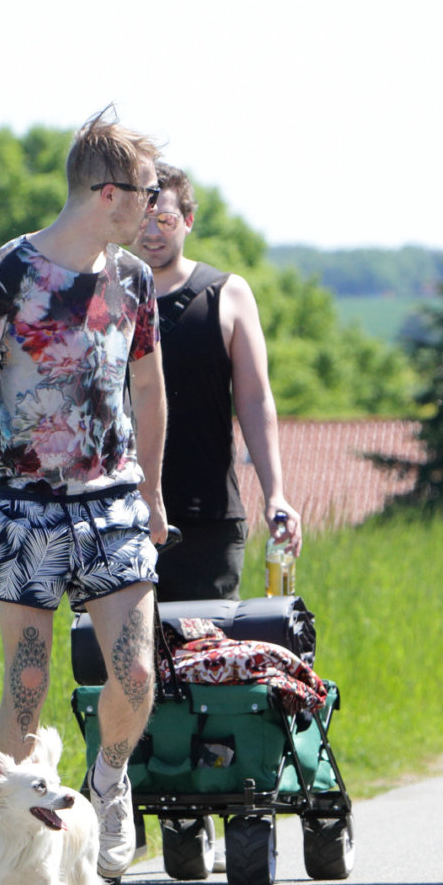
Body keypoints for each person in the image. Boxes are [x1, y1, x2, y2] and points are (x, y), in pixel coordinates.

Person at [0, 108, 170, 883]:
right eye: (147, 191)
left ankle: (106, 781)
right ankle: (16, 841)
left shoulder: (132, 280)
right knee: (28, 684)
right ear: (107, 193)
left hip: (113, 504)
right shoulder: (9, 276)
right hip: (25, 508)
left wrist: (155, 492)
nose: (155, 207)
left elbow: (148, 384)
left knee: (135, 676)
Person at [131, 163, 299, 600]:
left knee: (209, 661)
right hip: (120, 521)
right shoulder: (104, 298)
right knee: (124, 667)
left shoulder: (228, 294)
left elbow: (256, 399)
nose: (152, 231)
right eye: (143, 218)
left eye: (164, 220)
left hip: (208, 521)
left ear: (188, 220)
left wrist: (275, 494)